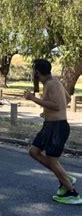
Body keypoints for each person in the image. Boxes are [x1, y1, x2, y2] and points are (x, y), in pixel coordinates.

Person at [24, 59, 80, 205]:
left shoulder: (52, 83)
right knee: (34, 151)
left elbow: (57, 105)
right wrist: (47, 112)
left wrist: (33, 98)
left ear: (36, 72)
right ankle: (64, 177)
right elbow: (66, 99)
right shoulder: (54, 81)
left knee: (52, 160)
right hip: (49, 125)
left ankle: (72, 193)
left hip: (57, 127)